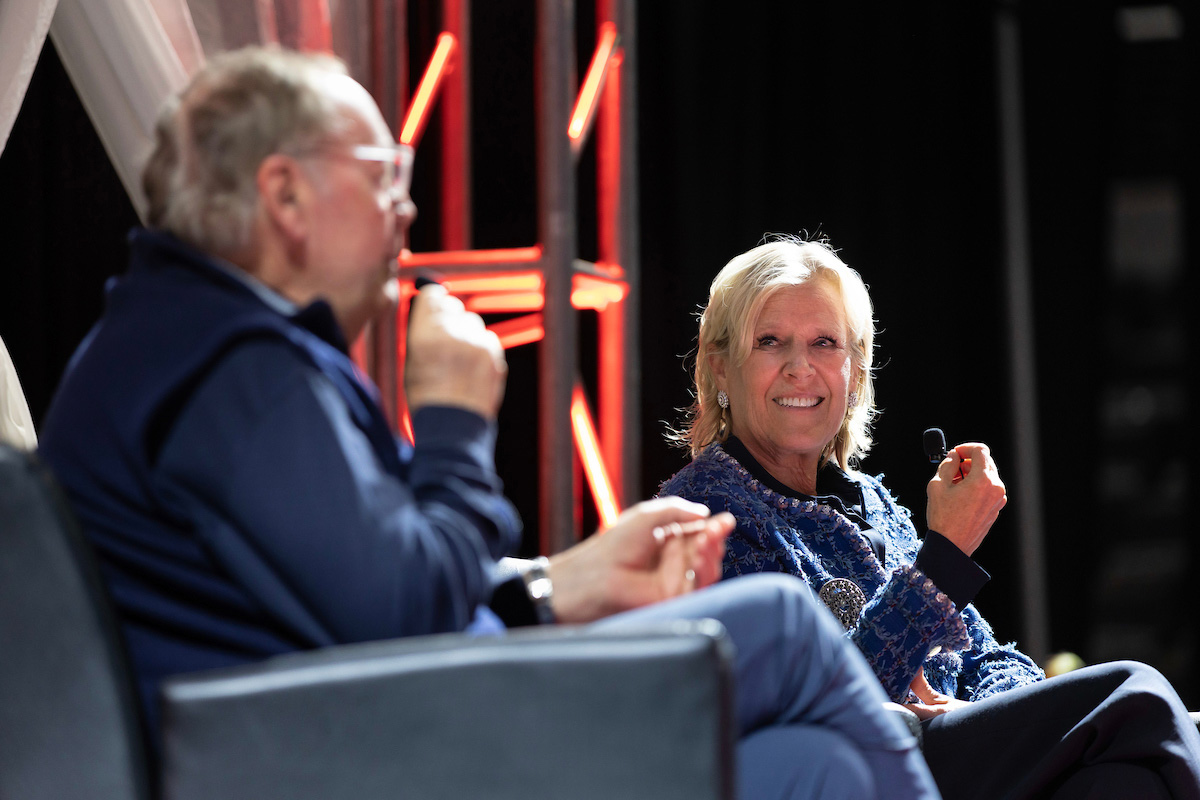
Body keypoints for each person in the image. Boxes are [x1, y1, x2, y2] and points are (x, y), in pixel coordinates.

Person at [37, 48, 940, 800]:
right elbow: (404, 616)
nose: (408, 207)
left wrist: (557, 582)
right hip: (327, 745)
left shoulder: (195, 339)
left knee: (811, 769)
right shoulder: (227, 366)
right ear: (285, 196)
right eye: (382, 174)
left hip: (356, 709)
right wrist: (454, 422)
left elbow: (366, 587)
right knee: (782, 621)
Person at [659, 235, 1200, 799]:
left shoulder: (872, 500)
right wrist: (944, 557)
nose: (801, 367)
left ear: (855, 371)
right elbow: (818, 718)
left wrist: (990, 711)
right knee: (1139, 695)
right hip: (870, 775)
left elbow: (982, 653)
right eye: (771, 342)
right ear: (720, 369)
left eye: (825, 342)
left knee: (1124, 780)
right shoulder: (701, 516)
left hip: (950, 756)